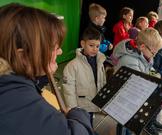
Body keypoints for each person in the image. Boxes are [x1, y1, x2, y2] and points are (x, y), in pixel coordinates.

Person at [0, 3, 94, 135]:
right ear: (23, 56)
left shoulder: (8, 83)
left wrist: (42, 74)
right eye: (54, 48)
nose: (60, 52)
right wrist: (77, 114)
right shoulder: (16, 101)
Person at [112, 28, 162, 135]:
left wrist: (155, 76)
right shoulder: (129, 60)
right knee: (124, 123)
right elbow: (140, 82)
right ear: (143, 46)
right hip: (123, 99)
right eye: (153, 53)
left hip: (133, 97)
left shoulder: (144, 55)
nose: (154, 56)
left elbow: (150, 71)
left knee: (130, 123)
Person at [63, 27, 106, 125]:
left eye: (97, 46)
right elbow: (68, 88)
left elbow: (102, 80)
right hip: (81, 104)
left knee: (90, 121)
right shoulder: (72, 65)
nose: (95, 49)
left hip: (94, 100)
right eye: (91, 45)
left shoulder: (100, 60)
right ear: (83, 44)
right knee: (82, 124)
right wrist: (72, 107)